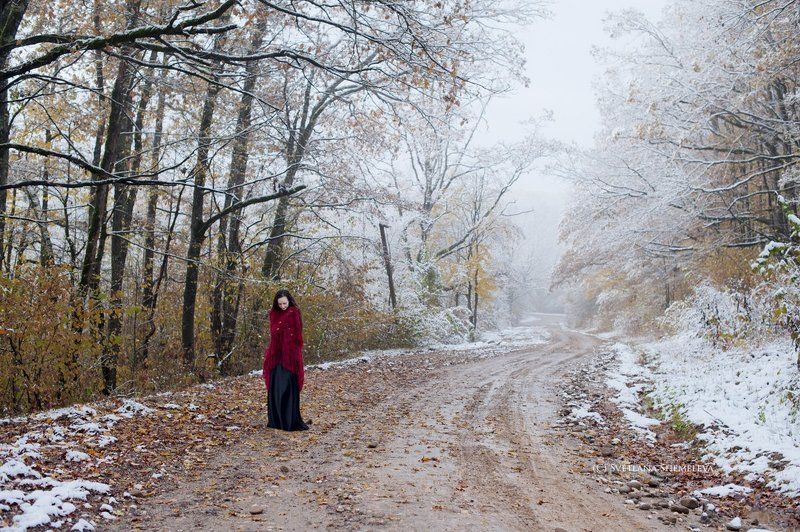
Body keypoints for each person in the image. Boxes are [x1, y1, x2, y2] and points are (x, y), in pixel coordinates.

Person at [263, 289, 309, 431]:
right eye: (280, 304)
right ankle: (276, 421)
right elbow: (274, 333)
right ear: (276, 303)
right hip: (276, 354)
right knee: (275, 387)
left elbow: (297, 334)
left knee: (288, 387)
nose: (283, 306)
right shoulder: (273, 314)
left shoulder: (294, 312)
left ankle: (289, 421)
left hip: (290, 355)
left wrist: (292, 352)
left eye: (285, 303)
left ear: (289, 301)